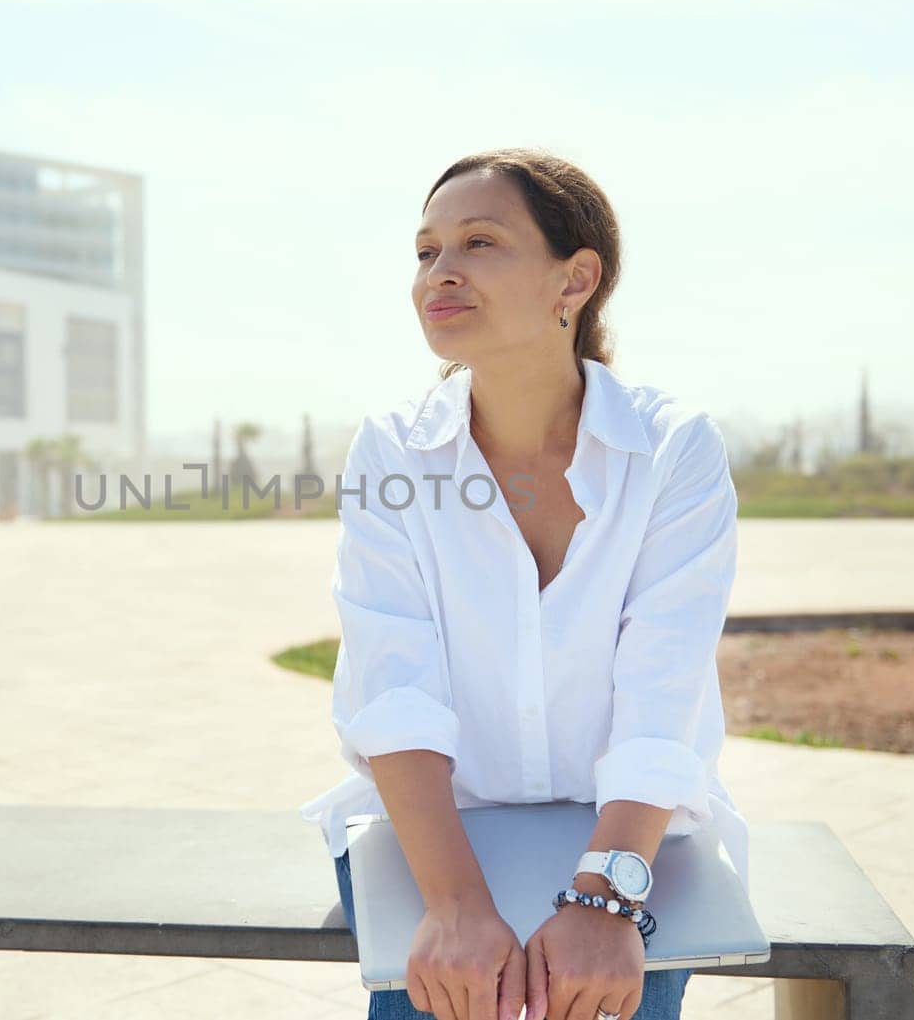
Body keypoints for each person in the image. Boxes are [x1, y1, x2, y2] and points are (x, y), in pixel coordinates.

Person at [298, 148, 750, 1020]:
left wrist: (605, 898)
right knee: (448, 989)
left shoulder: (672, 450)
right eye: (427, 250)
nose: (442, 272)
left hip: (632, 833)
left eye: (478, 242)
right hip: (437, 836)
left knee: (601, 992)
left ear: (575, 279)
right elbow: (393, 692)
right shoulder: (393, 451)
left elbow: (665, 698)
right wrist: (457, 904)